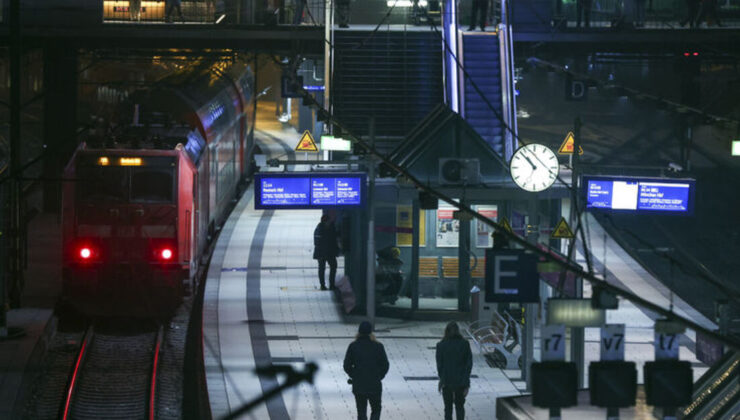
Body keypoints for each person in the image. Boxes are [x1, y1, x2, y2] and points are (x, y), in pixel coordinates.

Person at [344, 321, 390, 420]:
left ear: (359, 332)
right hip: (374, 384)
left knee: (361, 411)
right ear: (371, 332)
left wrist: (354, 375)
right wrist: (379, 376)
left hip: (359, 385)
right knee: (376, 409)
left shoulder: (353, 346)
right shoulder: (378, 346)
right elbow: (385, 365)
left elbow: (346, 365)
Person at [436, 322, 473, 420]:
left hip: (447, 381)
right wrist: (466, 383)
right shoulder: (464, 344)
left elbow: (440, 366)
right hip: (460, 381)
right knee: (460, 407)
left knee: (448, 409)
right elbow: (468, 365)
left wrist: (442, 380)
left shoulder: (441, 345)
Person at [313, 214, 339, 290]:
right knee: (322, 268)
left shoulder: (331, 227)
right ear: (325, 221)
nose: (329, 223)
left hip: (330, 252)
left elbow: (334, 240)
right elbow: (317, 242)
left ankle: (331, 284)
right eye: (328, 221)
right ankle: (323, 285)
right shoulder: (319, 229)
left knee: (333, 267)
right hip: (322, 252)